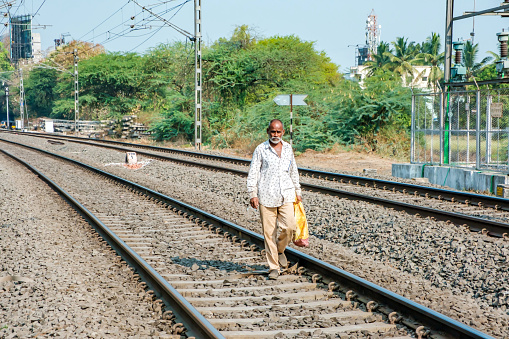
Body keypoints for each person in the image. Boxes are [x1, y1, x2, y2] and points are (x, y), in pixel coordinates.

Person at [247, 119, 302, 280]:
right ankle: (274, 267)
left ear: (283, 132)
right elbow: (254, 172)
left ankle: (279, 250)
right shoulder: (261, 149)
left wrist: (297, 191)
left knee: (290, 227)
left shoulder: (288, 149)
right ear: (268, 131)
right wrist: (253, 194)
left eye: (278, 132)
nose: (275, 135)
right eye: (272, 131)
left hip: (286, 194)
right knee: (269, 233)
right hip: (266, 195)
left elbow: (293, 171)